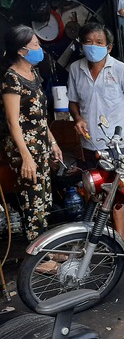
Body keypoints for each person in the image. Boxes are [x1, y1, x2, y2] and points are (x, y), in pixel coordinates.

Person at [67, 22, 124, 245]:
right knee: (92, 187)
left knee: (115, 189)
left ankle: (122, 234)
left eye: (99, 42)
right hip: (89, 141)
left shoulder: (121, 70)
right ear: (81, 45)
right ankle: (99, 233)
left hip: (116, 143)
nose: (93, 46)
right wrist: (78, 118)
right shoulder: (76, 69)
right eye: (88, 42)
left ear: (109, 47)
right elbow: (73, 102)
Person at [1, 25, 63, 241]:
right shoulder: (12, 78)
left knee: (45, 200)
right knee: (32, 200)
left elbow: (39, 115)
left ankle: (44, 249)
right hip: (24, 149)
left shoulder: (33, 73)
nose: (40, 48)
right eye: (35, 45)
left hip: (41, 145)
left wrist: (53, 143)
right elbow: (12, 122)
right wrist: (26, 156)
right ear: (21, 50)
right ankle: (37, 257)